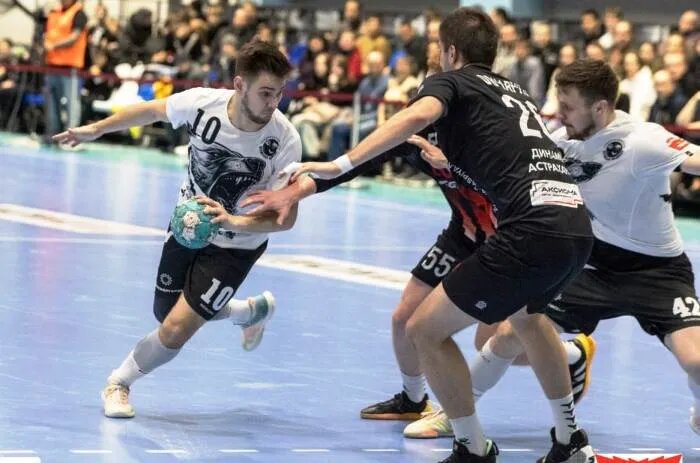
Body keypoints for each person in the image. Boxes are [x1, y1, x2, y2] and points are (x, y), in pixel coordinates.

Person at [251, 8, 596, 463]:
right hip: (574, 226)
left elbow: (418, 115)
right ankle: (569, 440)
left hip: (519, 231)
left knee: (426, 330)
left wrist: (335, 162)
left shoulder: (450, 85)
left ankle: (472, 448)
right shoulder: (514, 95)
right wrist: (307, 187)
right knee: (527, 321)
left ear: (449, 52)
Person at [408, 59, 700, 439]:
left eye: (568, 107)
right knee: (503, 337)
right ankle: (453, 414)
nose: (559, 114)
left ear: (600, 107)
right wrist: (450, 164)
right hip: (589, 267)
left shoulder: (643, 140)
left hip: (657, 273)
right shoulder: (559, 141)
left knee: (696, 361)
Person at [52, 41, 302, 418]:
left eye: (280, 93)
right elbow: (151, 110)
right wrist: (96, 130)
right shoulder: (202, 104)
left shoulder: (284, 140)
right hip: (188, 226)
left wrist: (232, 220)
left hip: (237, 246)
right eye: (266, 93)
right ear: (239, 85)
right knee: (165, 312)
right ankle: (248, 312)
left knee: (174, 330)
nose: (274, 103)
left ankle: (118, 384)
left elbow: (286, 218)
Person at [43, 0, 89, 144]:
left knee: (71, 103)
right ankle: (52, 135)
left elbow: (74, 37)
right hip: (51, 65)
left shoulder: (79, 14)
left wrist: (53, 46)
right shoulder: (54, 13)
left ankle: (72, 138)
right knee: (51, 102)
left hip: (70, 68)